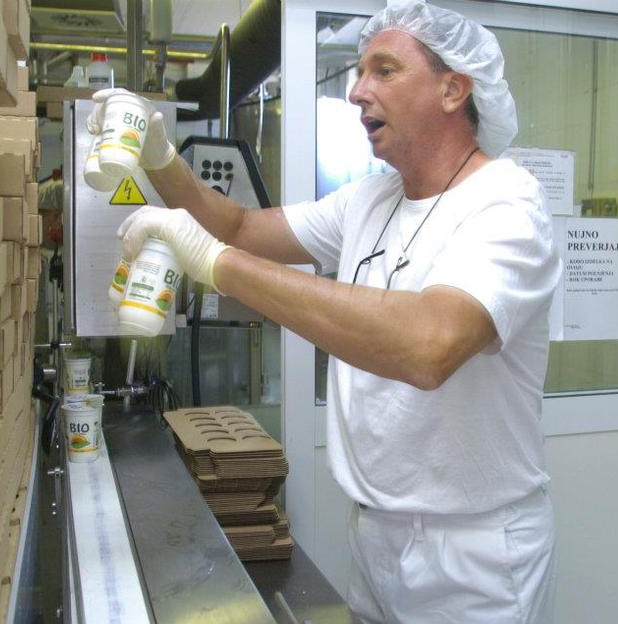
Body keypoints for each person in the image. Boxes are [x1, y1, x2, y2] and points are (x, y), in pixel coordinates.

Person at [90, 1, 561, 621]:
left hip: (473, 551)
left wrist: (213, 262)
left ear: (453, 89)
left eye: (384, 70)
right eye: (360, 71)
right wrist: (160, 159)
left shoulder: (506, 206)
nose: (357, 91)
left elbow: (430, 346)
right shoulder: (373, 199)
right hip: (376, 532)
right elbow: (240, 227)